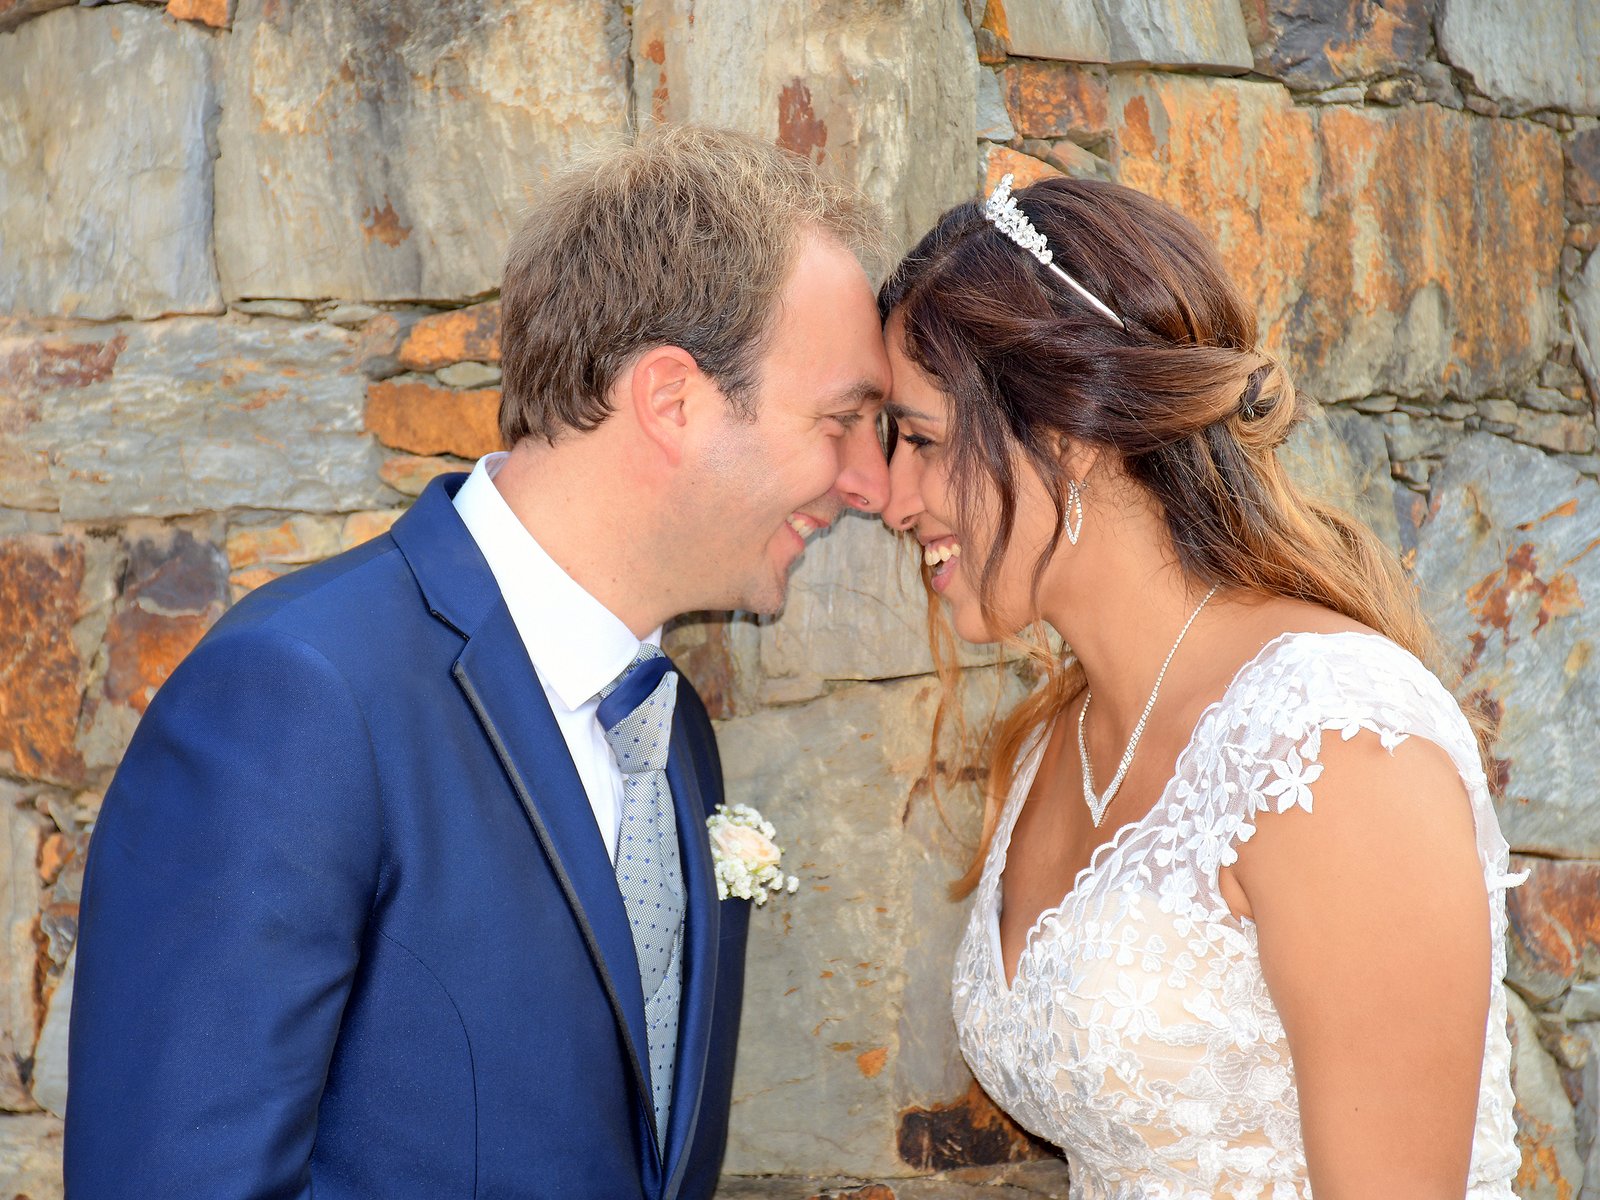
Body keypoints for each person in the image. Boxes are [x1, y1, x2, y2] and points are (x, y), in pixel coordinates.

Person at [65, 125, 893, 1199]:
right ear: (672, 400)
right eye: (841, 420)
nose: (870, 483)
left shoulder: (670, 727)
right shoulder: (298, 699)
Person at [877, 173, 1522, 1198]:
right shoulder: (1054, 742)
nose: (889, 497)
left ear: (1067, 434)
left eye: (917, 439)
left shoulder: (1331, 742)